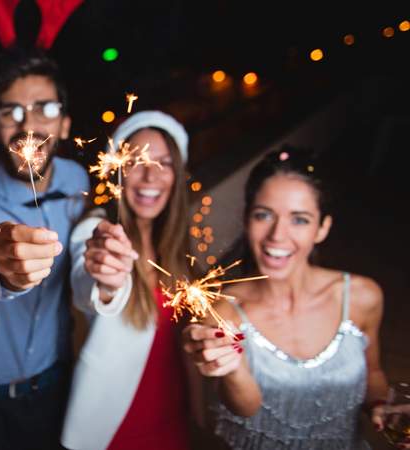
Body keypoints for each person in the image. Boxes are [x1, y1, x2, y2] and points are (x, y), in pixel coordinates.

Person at [183, 148, 393, 449]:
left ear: (323, 228)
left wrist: (380, 405)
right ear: (246, 220)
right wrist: (230, 368)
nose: (277, 236)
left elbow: (373, 373)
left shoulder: (362, 296)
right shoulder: (222, 313)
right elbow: (245, 409)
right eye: (264, 215)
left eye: (300, 219)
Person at [0, 47, 89, 449]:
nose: (29, 124)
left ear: (64, 123)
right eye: (12, 112)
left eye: (44, 108)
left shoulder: (79, 182)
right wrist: (4, 269)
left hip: (52, 389)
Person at [61, 111, 194, 449]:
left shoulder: (178, 248)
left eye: (164, 163)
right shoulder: (95, 232)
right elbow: (86, 281)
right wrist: (105, 282)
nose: (151, 175)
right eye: (137, 161)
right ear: (118, 170)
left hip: (177, 420)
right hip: (117, 430)